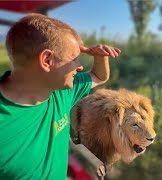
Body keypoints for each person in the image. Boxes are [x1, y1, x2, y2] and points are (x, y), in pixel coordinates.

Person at [0, 13, 121, 179]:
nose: (79, 67)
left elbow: (98, 77)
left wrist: (99, 58)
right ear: (47, 60)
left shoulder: (61, 91)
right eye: (74, 59)